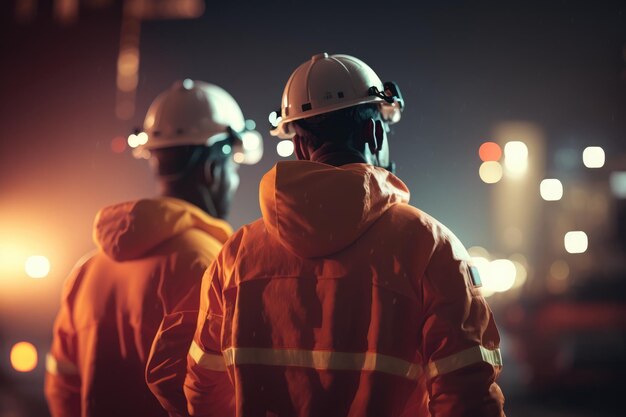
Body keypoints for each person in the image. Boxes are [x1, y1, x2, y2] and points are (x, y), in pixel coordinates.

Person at [184, 53, 505, 417]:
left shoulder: (237, 255)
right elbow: (466, 399)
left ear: (300, 145)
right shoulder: (432, 248)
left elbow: (203, 390)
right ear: (374, 132)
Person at [44, 79, 262, 417]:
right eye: (233, 167)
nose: (234, 180)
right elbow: (213, 395)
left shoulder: (88, 270)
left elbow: (62, 387)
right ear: (211, 169)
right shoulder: (211, 265)